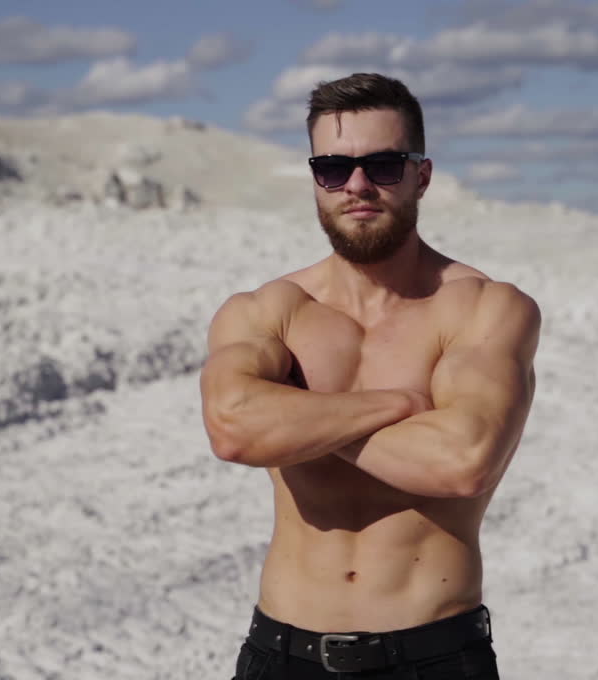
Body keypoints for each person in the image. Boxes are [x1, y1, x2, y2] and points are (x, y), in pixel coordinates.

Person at [200, 73, 541, 679]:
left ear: (422, 175)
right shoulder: (268, 310)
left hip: (433, 657)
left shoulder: (486, 308)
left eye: (383, 165)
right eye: (333, 168)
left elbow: (463, 460)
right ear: (315, 179)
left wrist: (295, 413)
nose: (357, 186)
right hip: (284, 655)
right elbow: (232, 430)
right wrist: (402, 404)